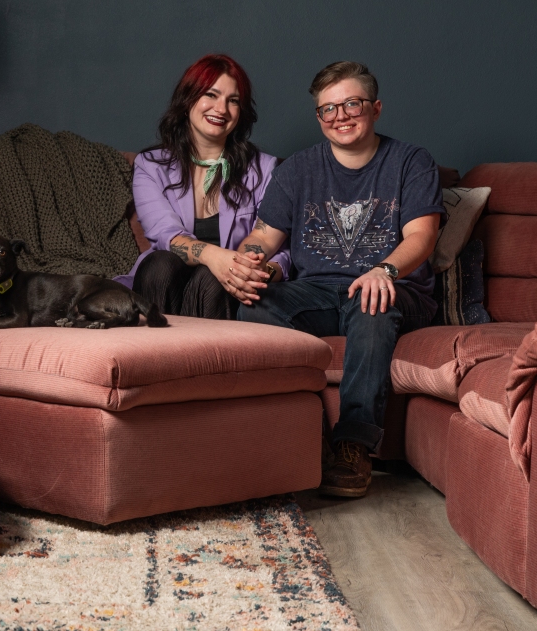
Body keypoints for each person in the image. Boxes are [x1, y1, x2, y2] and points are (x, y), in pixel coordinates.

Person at [232, 61, 445, 498]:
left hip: (395, 289)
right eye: (328, 109)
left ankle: (353, 445)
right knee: (253, 302)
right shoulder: (297, 169)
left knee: (372, 303)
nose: (340, 117)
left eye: (352, 103)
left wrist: (384, 270)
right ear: (318, 118)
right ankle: (293, 431)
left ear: (376, 108)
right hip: (321, 291)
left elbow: (422, 236)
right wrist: (248, 261)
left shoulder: (411, 162)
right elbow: (264, 236)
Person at [119, 54, 290, 320]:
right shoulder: (150, 165)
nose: (221, 109)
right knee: (160, 263)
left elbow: (280, 250)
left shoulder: (264, 169)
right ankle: (153, 359)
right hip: (163, 283)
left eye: (233, 101)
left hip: (225, 292)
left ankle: (200, 362)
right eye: (211, 95)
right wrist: (215, 257)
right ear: (188, 100)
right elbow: (165, 236)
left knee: (212, 278)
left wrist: (256, 272)